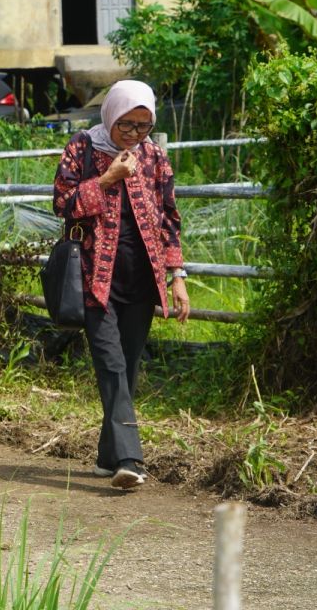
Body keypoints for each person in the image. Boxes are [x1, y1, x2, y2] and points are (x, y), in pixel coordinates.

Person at [53, 79, 189, 490]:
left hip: (142, 280)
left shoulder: (154, 156)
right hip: (96, 279)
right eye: (126, 125)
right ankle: (130, 458)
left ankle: (106, 456)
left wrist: (177, 275)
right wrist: (108, 178)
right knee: (111, 366)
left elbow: (169, 218)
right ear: (110, 114)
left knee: (127, 369)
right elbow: (63, 204)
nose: (133, 134)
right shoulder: (83, 147)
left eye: (142, 126)